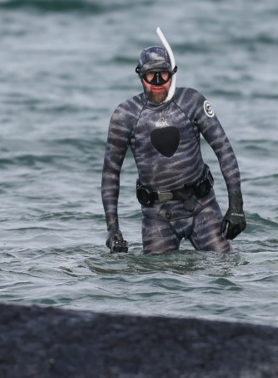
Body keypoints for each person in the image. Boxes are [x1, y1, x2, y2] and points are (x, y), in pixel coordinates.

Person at [100, 38, 246, 254]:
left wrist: (236, 208)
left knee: (224, 270)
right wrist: (113, 230)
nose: (158, 82)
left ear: (173, 73)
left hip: (202, 208)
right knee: (157, 282)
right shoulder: (126, 115)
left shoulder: (192, 102)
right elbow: (111, 173)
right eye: (151, 75)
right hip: (157, 216)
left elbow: (224, 150)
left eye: (163, 75)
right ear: (141, 75)